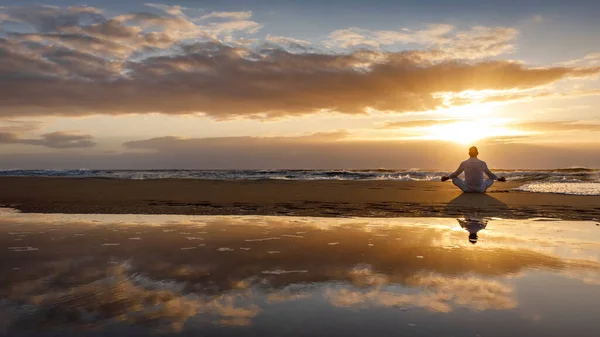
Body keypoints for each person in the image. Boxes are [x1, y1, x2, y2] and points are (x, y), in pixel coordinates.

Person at [441, 146, 506, 193]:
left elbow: (455, 174)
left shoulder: (464, 163)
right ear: (477, 153)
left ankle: (468, 186)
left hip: (467, 189)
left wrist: (447, 178)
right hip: (480, 189)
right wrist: (499, 179)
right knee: (491, 178)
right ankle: (480, 187)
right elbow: (490, 175)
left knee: (454, 178)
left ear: (469, 153)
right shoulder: (482, 163)